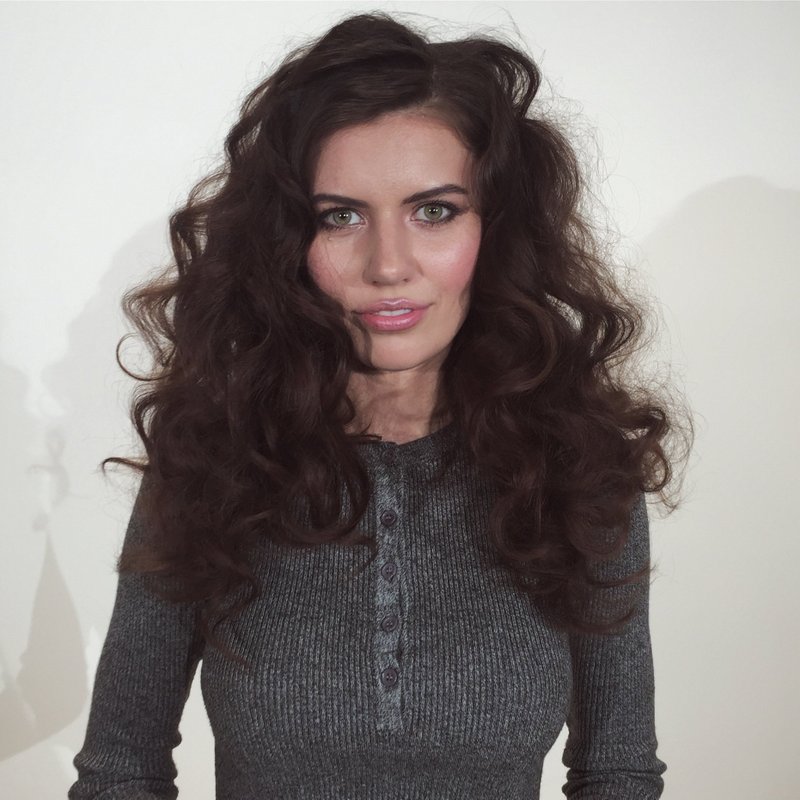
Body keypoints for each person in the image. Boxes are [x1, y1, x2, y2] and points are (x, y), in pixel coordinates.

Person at [69, 11, 688, 800]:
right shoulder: (214, 459)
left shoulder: (578, 468)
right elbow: (120, 772)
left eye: (434, 211)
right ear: (288, 242)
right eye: (341, 216)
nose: (387, 264)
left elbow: (617, 773)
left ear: (495, 229)